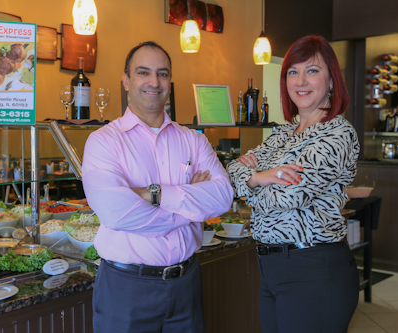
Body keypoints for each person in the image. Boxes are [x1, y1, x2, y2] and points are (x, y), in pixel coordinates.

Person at [82, 41, 234, 332]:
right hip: (126, 288)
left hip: (186, 283)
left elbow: (223, 197)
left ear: (170, 83)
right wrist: (192, 207)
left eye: (162, 74)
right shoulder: (104, 142)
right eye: (143, 72)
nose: (154, 82)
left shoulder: (194, 140)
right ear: (126, 80)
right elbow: (117, 215)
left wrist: (154, 194)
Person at [227, 35, 360, 333]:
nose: (301, 80)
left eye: (312, 70)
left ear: (331, 80)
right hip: (272, 267)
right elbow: (232, 170)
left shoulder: (337, 132)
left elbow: (291, 194)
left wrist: (249, 184)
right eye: (292, 72)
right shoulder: (282, 133)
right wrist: (261, 177)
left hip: (313, 267)